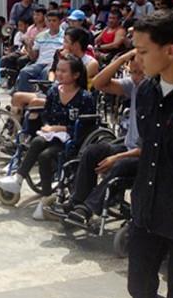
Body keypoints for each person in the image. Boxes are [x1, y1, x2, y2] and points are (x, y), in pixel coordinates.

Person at [0, 55, 95, 219]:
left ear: (76, 75)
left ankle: (46, 197)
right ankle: (18, 179)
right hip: (52, 134)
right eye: (58, 70)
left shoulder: (85, 97)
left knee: (45, 156)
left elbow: (86, 124)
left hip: (72, 138)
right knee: (37, 141)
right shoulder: (54, 91)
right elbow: (47, 114)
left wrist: (61, 128)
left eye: (64, 71)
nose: (59, 74)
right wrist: (36, 118)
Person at [126, 9, 173, 298]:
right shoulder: (146, 90)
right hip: (145, 213)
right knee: (140, 289)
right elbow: (149, 148)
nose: (137, 60)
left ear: (171, 51)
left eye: (143, 52)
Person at [57, 50, 142, 223]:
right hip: (129, 147)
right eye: (132, 72)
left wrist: (116, 157)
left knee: (120, 164)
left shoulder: (155, 94)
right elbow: (99, 84)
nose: (135, 77)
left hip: (147, 155)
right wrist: (122, 59)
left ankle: (89, 208)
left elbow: (150, 147)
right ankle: (77, 200)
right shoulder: (134, 85)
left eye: (140, 73)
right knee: (93, 151)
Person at [13, 11, 65, 92]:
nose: (51, 23)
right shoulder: (41, 36)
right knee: (24, 72)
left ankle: (43, 98)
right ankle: (25, 96)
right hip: (40, 63)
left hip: (54, 64)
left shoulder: (65, 36)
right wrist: (29, 46)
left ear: (60, 22)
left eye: (54, 20)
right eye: (49, 20)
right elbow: (33, 57)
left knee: (46, 73)